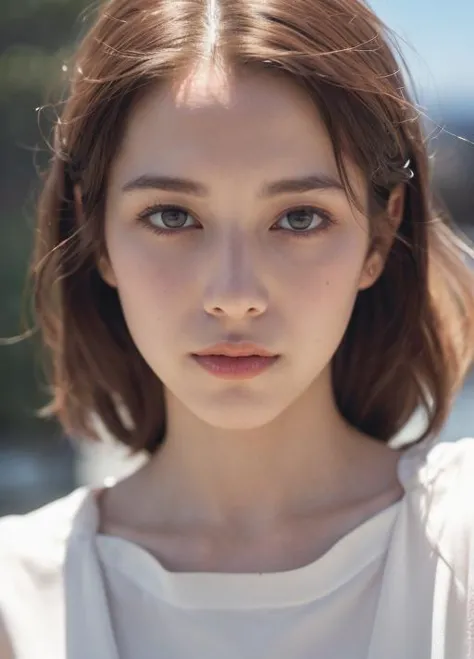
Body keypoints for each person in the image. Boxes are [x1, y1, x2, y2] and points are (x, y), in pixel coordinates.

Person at [1, 0, 474, 656]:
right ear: (95, 230)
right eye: (171, 216)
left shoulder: (462, 544)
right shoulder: (19, 603)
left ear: (381, 232)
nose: (234, 296)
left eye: (300, 218)